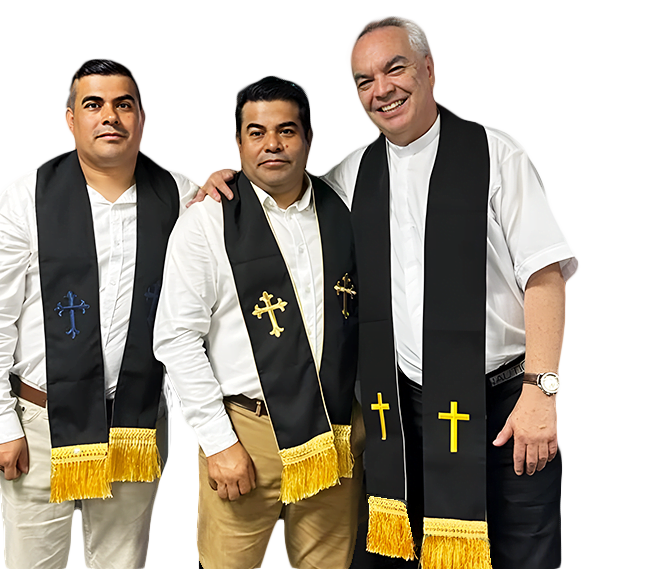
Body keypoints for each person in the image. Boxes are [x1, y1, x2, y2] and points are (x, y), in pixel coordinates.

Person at [197, 16, 577, 569]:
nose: (382, 89)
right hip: (403, 410)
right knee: (417, 553)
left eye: (394, 68)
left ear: (429, 70)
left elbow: (543, 274)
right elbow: (283, 191)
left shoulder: (497, 154)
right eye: (364, 80)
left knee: (525, 550)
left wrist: (541, 391)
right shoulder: (354, 173)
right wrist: (227, 177)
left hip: (506, 401)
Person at [0, 58, 200, 569]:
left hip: (133, 421)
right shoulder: (24, 197)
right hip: (40, 424)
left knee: (121, 562)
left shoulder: (181, 195)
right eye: (93, 104)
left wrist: (228, 177)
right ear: (71, 120)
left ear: (141, 118)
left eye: (124, 104)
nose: (109, 116)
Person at [153, 76, 365, 569]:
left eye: (287, 131)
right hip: (247, 434)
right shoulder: (207, 220)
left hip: (333, 430)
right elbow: (177, 338)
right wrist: (218, 442)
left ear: (308, 139)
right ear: (237, 142)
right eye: (256, 132)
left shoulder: (343, 205)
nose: (272, 144)